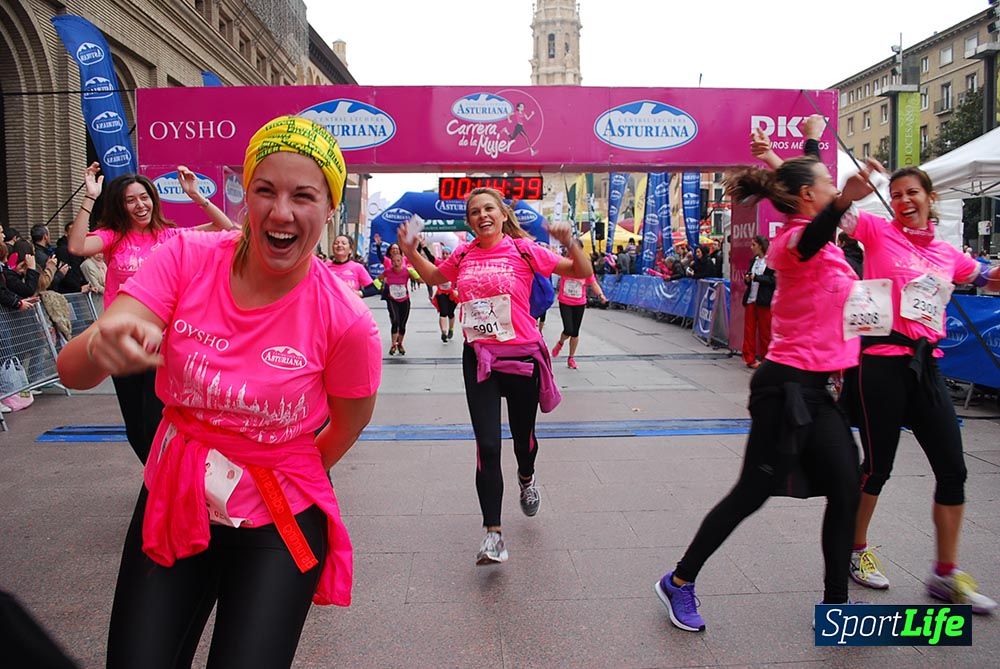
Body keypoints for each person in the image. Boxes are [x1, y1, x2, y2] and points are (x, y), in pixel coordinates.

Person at [56, 115, 381, 668]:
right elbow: (72, 370)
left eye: (303, 195)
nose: (281, 212)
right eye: (265, 190)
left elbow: (346, 427)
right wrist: (103, 344)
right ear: (243, 197)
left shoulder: (347, 321)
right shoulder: (185, 259)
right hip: (173, 497)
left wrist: (272, 463)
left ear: (328, 209)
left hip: (279, 518)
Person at [654, 152, 879, 633]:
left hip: (821, 391)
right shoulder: (792, 241)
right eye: (826, 185)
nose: (834, 190)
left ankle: (836, 609)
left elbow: (825, 227)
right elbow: (815, 230)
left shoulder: (832, 246)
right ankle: (679, 579)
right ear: (809, 197)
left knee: (845, 490)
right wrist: (841, 200)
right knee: (750, 495)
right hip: (785, 388)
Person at [825, 167, 1000, 613]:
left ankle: (944, 575)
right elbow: (835, 216)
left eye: (912, 193)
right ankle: (855, 550)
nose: (904, 200)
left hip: (928, 368)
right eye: (897, 193)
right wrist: (851, 192)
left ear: (930, 197)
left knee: (954, 472)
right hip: (881, 366)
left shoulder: (947, 254)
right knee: (877, 468)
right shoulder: (878, 231)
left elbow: (986, 276)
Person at [398, 187, 591, 565]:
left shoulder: (523, 249)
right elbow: (437, 276)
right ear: (469, 221)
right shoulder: (465, 252)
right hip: (480, 358)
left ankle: (526, 477)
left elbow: (579, 271)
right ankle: (493, 535)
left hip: (521, 359)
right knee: (487, 446)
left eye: (489, 209)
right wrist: (409, 251)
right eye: (474, 212)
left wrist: (571, 244)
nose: (482, 216)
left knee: (523, 441)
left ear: (503, 214)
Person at [66, 163, 236, 463]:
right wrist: (90, 196)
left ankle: (161, 482)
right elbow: (77, 246)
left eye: (144, 197)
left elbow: (227, 229)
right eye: (131, 200)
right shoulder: (113, 237)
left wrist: (196, 196)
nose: (139, 205)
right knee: (135, 427)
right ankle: (157, 476)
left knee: (154, 419)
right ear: (121, 205)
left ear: (153, 200)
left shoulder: (169, 236)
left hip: (162, 342)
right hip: (120, 341)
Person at [550, 240, 608, 369]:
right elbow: (550, 264)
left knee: (575, 332)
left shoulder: (585, 267)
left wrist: (601, 295)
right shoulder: (564, 263)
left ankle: (571, 358)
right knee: (568, 329)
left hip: (579, 302)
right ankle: (560, 342)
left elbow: (593, 283)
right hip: (565, 301)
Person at [741, 235, 775, 369]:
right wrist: (748, 278)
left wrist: (758, 278)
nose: (751, 248)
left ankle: (766, 359)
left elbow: (773, 281)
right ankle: (749, 358)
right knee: (749, 331)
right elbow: (748, 277)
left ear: (760, 246)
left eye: (753, 245)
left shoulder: (770, 262)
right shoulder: (753, 261)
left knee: (765, 332)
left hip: (764, 300)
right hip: (751, 299)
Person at [379, 242, 413, 356]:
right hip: (392, 299)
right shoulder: (388, 271)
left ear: (402, 260)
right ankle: (394, 344)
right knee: (395, 321)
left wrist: (416, 274)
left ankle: (400, 344)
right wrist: (372, 288)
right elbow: (378, 280)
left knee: (402, 324)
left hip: (405, 300)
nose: (396, 263)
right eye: (393, 262)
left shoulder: (407, 271)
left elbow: (421, 279)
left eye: (398, 261)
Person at [327, 234, 378, 298]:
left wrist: (360, 293)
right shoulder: (324, 267)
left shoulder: (357, 267)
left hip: (350, 306)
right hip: (328, 306)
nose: (339, 245)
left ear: (350, 250)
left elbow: (373, 288)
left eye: (344, 243)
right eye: (336, 243)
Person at [433, 247, 458, 342]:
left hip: (452, 293)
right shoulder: (439, 263)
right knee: (443, 312)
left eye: (447, 253)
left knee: (450, 313)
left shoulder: (455, 264)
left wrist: (457, 289)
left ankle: (451, 329)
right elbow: (430, 258)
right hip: (441, 292)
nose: (445, 255)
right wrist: (423, 247)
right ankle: (443, 332)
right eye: (443, 253)